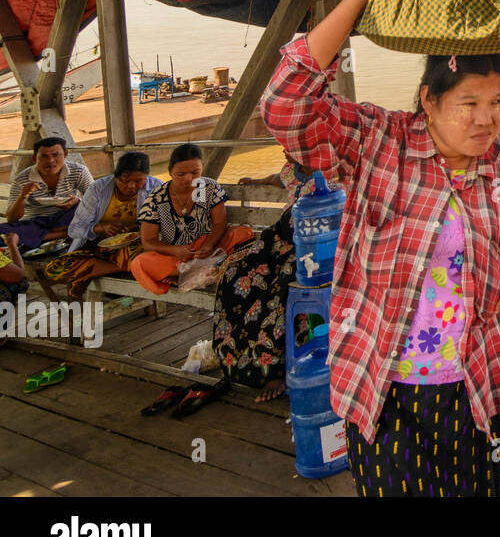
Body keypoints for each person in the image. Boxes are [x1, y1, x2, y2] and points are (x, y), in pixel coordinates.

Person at [260, 0, 500, 497]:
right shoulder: (379, 143)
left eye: (497, 104)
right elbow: (287, 106)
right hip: (384, 383)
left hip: (478, 379)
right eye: (467, 104)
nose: (485, 120)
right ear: (429, 100)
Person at [213, 155, 328, 402]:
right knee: (233, 272)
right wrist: (255, 179)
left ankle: (273, 370)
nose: (285, 150)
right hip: (280, 239)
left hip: (313, 247)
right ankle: (237, 359)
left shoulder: (334, 171)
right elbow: (277, 179)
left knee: (281, 289)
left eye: (290, 143)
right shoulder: (291, 169)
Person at [128, 143, 256, 297]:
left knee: (243, 233)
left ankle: (196, 271)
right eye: (180, 174)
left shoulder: (206, 188)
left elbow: (220, 223)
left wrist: (209, 245)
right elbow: (148, 241)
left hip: (210, 250)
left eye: (195, 172)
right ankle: (204, 270)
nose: (189, 179)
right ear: (170, 172)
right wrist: (176, 250)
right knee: (139, 263)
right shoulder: (156, 198)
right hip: (176, 257)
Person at [41, 152, 160, 299]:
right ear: (115, 176)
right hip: (97, 248)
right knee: (54, 270)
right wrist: (100, 228)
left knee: (143, 252)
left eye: (139, 181)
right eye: (124, 180)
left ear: (146, 177)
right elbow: (74, 229)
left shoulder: (157, 189)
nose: (131, 186)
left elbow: (164, 225)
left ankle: (87, 276)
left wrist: (140, 231)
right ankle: (111, 268)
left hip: (133, 247)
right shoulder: (98, 189)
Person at [1, 137, 93, 250]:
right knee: (2, 232)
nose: (50, 160)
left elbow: (96, 199)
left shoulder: (78, 171)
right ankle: (63, 234)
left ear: (65, 154)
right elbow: (11, 219)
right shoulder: (23, 179)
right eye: (44, 156)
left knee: (82, 207)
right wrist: (22, 196)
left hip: (65, 217)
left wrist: (77, 201)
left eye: (56, 155)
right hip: (35, 223)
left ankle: (44, 235)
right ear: (35, 159)